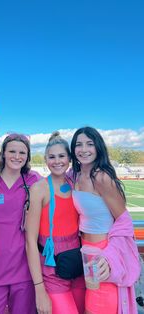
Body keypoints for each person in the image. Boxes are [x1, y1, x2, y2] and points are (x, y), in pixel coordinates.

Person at [70, 126, 141, 314]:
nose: (84, 149)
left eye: (90, 144)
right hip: (85, 250)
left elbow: (124, 221)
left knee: (99, 307)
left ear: (98, 147)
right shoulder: (75, 175)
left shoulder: (101, 177)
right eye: (79, 144)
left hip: (103, 253)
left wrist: (109, 257)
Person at [0, 133, 41, 314]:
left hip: (24, 271)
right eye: (12, 151)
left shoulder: (33, 180)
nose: (17, 156)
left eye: (22, 152)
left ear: (27, 156)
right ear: (3, 153)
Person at [26, 131, 85, 314]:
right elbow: (30, 241)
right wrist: (39, 289)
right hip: (52, 269)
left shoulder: (75, 182)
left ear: (69, 158)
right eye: (52, 157)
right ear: (45, 159)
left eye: (61, 156)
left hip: (78, 263)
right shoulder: (39, 189)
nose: (57, 161)